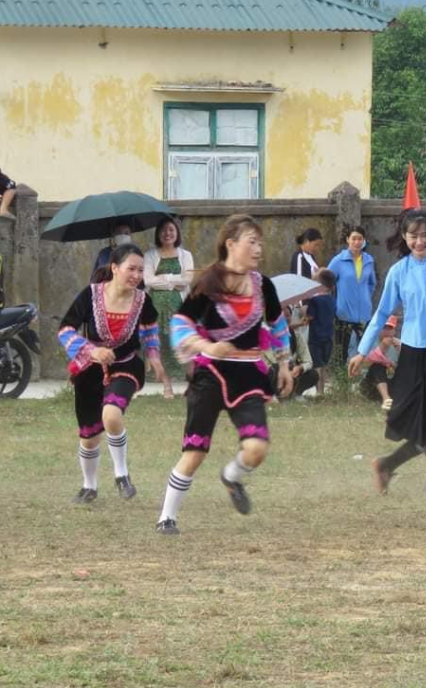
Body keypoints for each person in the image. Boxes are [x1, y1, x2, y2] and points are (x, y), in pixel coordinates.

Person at [155, 214, 293, 535]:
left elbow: (278, 324)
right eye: (252, 242)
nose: (258, 249)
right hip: (210, 375)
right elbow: (180, 323)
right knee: (195, 451)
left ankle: (232, 476)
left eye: (260, 242)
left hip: (249, 376)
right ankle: (166, 518)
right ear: (231, 244)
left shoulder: (264, 285)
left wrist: (284, 363)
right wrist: (205, 344)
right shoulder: (209, 282)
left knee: (257, 449)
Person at [347, 210, 426, 495]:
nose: (420, 241)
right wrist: (363, 350)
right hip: (414, 354)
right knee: (425, 419)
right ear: (404, 237)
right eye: (414, 236)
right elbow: (382, 313)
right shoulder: (399, 272)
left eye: (425, 235)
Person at [57, 243, 165, 504]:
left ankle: (122, 475)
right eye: (132, 269)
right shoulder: (90, 295)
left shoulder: (142, 301)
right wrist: (91, 351)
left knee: (112, 414)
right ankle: (89, 486)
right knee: (90, 435)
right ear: (115, 268)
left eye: (141, 270)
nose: (137, 275)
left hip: (126, 365)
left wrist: (153, 355)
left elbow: (150, 327)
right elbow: (65, 330)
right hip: (89, 370)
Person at [143, 217, 194, 398]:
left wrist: (164, 279)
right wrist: (174, 280)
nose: (167, 233)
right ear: (158, 234)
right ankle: (167, 386)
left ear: (177, 232)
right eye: (163, 230)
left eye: (171, 229)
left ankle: (192, 383)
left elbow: (187, 280)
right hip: (155, 308)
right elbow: (148, 280)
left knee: (183, 344)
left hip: (179, 308)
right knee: (159, 346)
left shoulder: (186, 255)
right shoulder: (150, 255)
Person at [328, 225, 376, 365]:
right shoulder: (339, 260)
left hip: (364, 315)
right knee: (340, 354)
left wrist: (365, 297)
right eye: (354, 238)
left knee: (365, 352)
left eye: (360, 239)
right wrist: (336, 303)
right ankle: (341, 384)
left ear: (364, 240)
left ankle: (362, 383)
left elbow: (371, 283)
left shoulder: (368, 260)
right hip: (343, 314)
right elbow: (326, 282)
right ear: (348, 239)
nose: (357, 242)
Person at [305, 268, 338, 397]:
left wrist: (303, 312)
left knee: (317, 365)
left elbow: (309, 318)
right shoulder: (332, 300)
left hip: (315, 338)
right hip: (328, 337)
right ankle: (322, 390)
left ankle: (319, 393)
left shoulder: (315, 301)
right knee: (323, 365)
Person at [361, 315, 401, 408]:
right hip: (371, 383)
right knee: (377, 366)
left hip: (391, 381)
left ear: (394, 331)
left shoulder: (399, 344)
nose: (386, 331)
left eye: (390, 328)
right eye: (384, 328)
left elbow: (407, 366)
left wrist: (400, 349)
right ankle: (386, 399)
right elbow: (365, 362)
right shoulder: (369, 342)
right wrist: (383, 347)